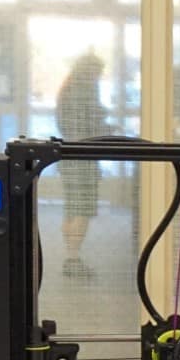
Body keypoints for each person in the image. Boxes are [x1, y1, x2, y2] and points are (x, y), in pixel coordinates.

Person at [55, 53, 107, 278]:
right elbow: (91, 123)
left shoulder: (67, 88)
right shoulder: (85, 90)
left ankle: (70, 255)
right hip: (84, 158)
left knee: (71, 208)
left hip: (67, 156)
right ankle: (73, 258)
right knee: (82, 210)